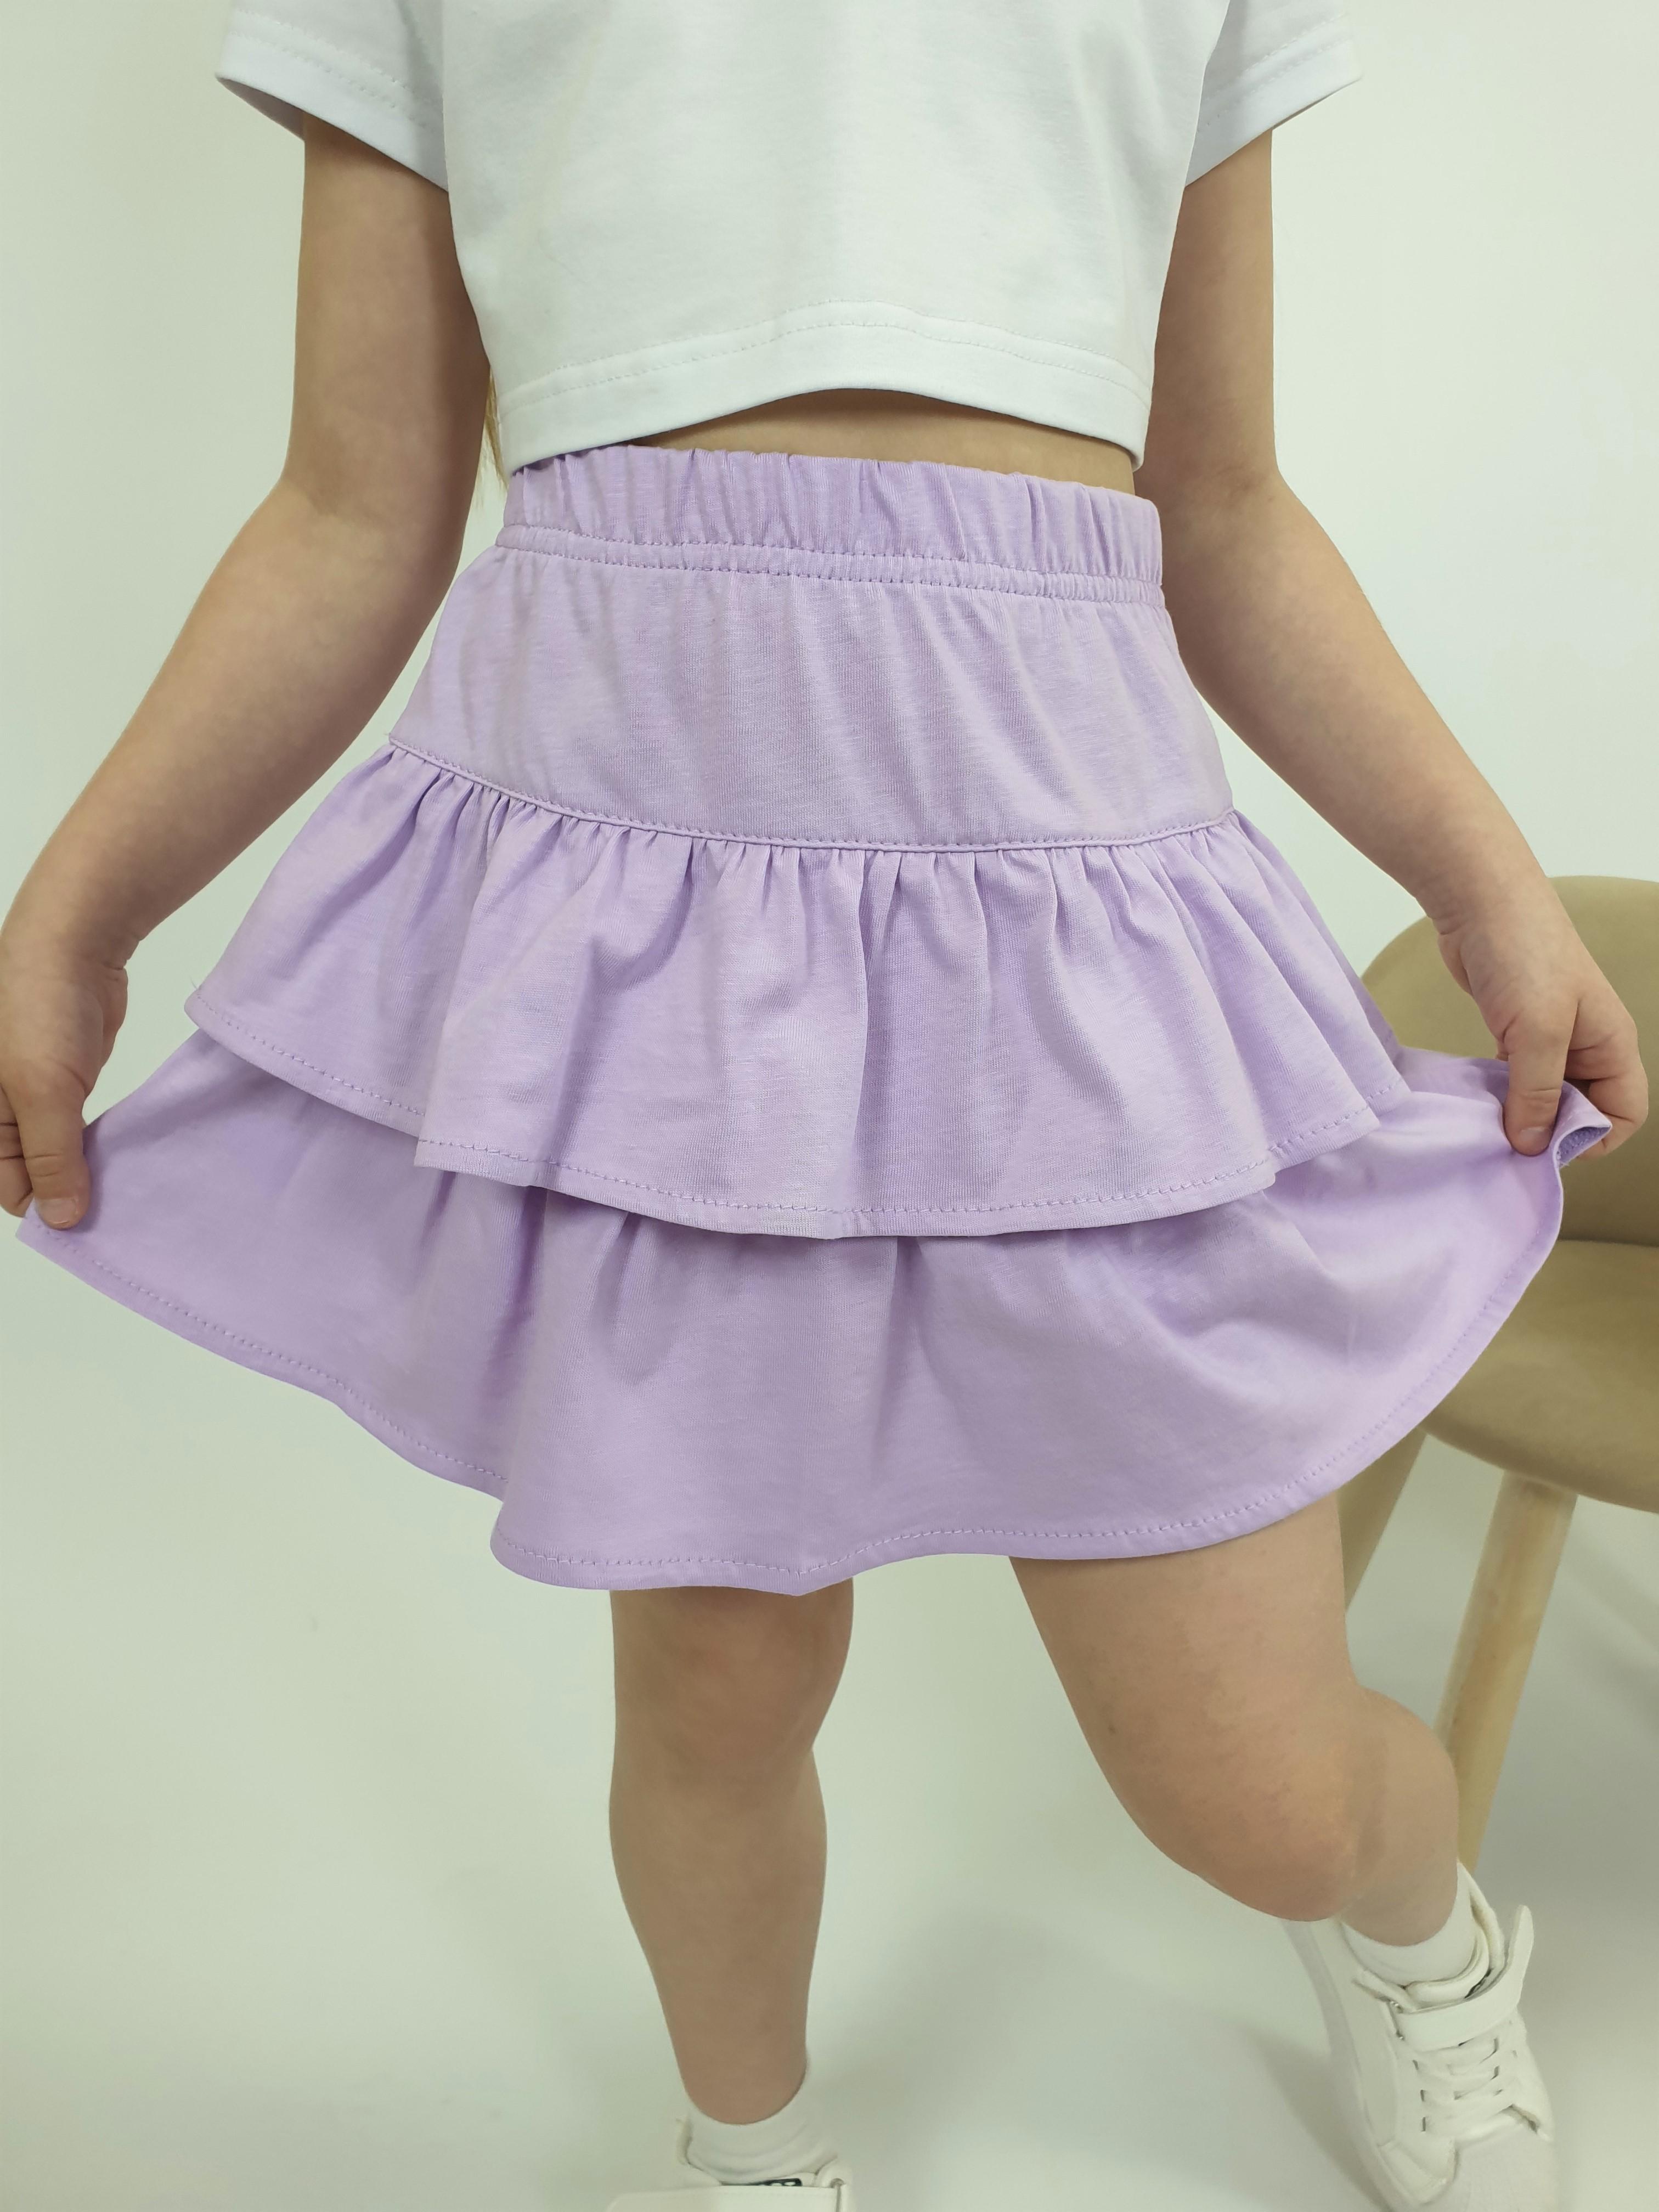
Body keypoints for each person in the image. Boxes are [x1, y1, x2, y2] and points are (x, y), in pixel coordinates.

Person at [1, 3, 1646, 2207]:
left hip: (1067, 922)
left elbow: (1228, 507)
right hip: (658, 923)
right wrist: (77, 913)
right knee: (715, 1685)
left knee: (1251, 1789)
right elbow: (352, 503)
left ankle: (1420, 1937)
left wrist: (1489, 887)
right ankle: (751, 2153)